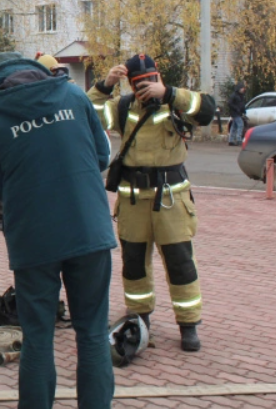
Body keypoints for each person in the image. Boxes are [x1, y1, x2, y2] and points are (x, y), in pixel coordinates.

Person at [0, 52, 116, 409]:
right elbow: (101, 156)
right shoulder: (74, 96)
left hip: (33, 238)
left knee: (37, 340)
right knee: (93, 335)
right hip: (88, 228)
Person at [88, 54, 216, 352]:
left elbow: (207, 110)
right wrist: (105, 86)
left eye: (152, 80)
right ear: (132, 85)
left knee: (180, 263)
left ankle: (188, 325)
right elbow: (88, 116)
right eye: (140, 83)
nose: (147, 87)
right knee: (134, 264)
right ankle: (139, 318)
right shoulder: (123, 107)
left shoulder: (176, 102)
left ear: (159, 77)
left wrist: (170, 93)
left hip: (171, 197)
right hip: (133, 199)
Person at [227, 81, 246, 146]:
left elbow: (242, 104)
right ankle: (238, 140)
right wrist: (236, 109)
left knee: (234, 126)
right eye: (242, 88)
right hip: (235, 113)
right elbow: (229, 103)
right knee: (240, 124)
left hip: (238, 113)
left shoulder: (241, 95)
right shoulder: (234, 95)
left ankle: (231, 140)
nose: (243, 89)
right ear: (239, 88)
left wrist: (243, 111)